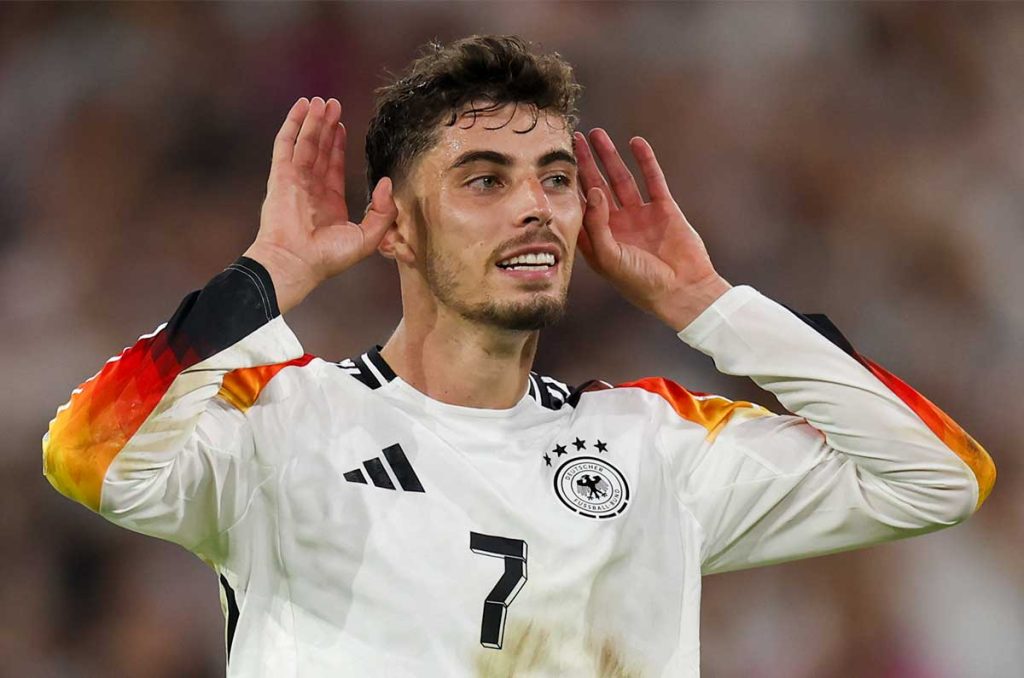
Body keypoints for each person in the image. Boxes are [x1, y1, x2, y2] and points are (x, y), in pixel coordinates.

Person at [42, 35, 995, 677]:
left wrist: (707, 304)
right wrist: (265, 279)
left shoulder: (653, 443)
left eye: (556, 179)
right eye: (484, 180)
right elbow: (88, 455)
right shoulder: (283, 421)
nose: (535, 206)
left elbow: (940, 477)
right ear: (396, 226)